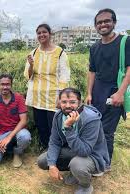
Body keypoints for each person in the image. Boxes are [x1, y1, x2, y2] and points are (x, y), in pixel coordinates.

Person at [38, 88, 109, 194]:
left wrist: (68, 127)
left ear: (80, 102)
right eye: (64, 102)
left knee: (77, 165)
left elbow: (85, 151)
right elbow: (54, 142)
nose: (67, 106)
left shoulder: (90, 119)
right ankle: (74, 172)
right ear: (59, 102)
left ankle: (85, 186)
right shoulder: (58, 116)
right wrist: (52, 165)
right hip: (73, 150)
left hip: (93, 155)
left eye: (72, 102)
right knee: (43, 161)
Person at [86, 8, 130, 165]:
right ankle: (95, 157)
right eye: (99, 22)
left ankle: (105, 163)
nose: (103, 24)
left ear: (114, 22)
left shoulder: (125, 42)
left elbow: (129, 69)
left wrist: (120, 93)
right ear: (96, 26)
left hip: (114, 91)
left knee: (107, 131)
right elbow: (92, 71)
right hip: (98, 91)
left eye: (106, 21)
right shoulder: (94, 47)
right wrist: (89, 93)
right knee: (95, 125)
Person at [24, 23, 70, 151]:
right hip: (37, 97)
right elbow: (28, 76)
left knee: (54, 126)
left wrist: (60, 97)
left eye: (44, 32)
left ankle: (57, 150)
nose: (41, 35)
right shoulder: (33, 52)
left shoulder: (60, 52)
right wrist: (31, 65)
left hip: (53, 97)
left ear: (50, 34)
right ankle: (46, 149)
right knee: (41, 126)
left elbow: (64, 76)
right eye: (39, 33)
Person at [0, 73, 31, 168]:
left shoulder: (19, 98)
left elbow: (23, 120)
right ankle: (7, 149)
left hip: (18, 131)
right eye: (2, 84)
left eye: (7, 84)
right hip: (3, 132)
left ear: (11, 85)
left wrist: (9, 137)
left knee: (25, 136)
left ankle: (17, 153)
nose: (5, 87)